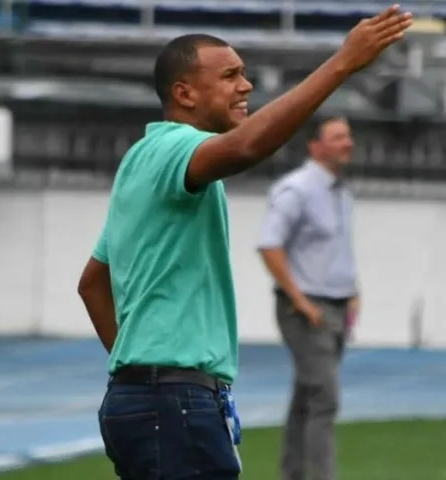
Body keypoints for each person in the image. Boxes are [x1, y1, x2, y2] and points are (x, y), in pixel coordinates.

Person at [75, 5, 412, 480]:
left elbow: (92, 283)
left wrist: (135, 374)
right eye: (231, 75)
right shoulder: (174, 149)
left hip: (144, 399)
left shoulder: (139, 162)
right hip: (176, 403)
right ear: (184, 92)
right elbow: (248, 146)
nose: (246, 85)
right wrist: (342, 64)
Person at [256, 115, 359, 480]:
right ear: (314, 145)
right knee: (325, 398)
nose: (348, 143)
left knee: (306, 398)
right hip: (307, 310)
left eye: (348, 136)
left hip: (336, 307)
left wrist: (354, 293)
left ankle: (293, 474)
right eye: (338, 137)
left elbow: (337, 250)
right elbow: (270, 244)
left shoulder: (342, 192)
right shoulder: (296, 189)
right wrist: (299, 300)